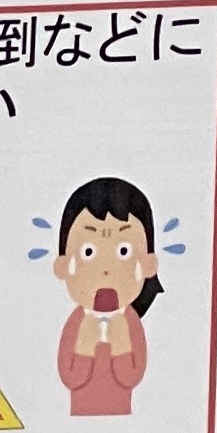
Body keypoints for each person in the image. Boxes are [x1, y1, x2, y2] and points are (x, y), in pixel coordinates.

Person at [49, 175, 164, 417]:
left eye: (124, 251)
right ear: (63, 266)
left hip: (124, 417)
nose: (105, 269)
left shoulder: (130, 321)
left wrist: (121, 343)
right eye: (88, 252)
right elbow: (70, 377)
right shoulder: (77, 321)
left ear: (148, 264)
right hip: (77, 416)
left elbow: (131, 376)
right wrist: (84, 345)